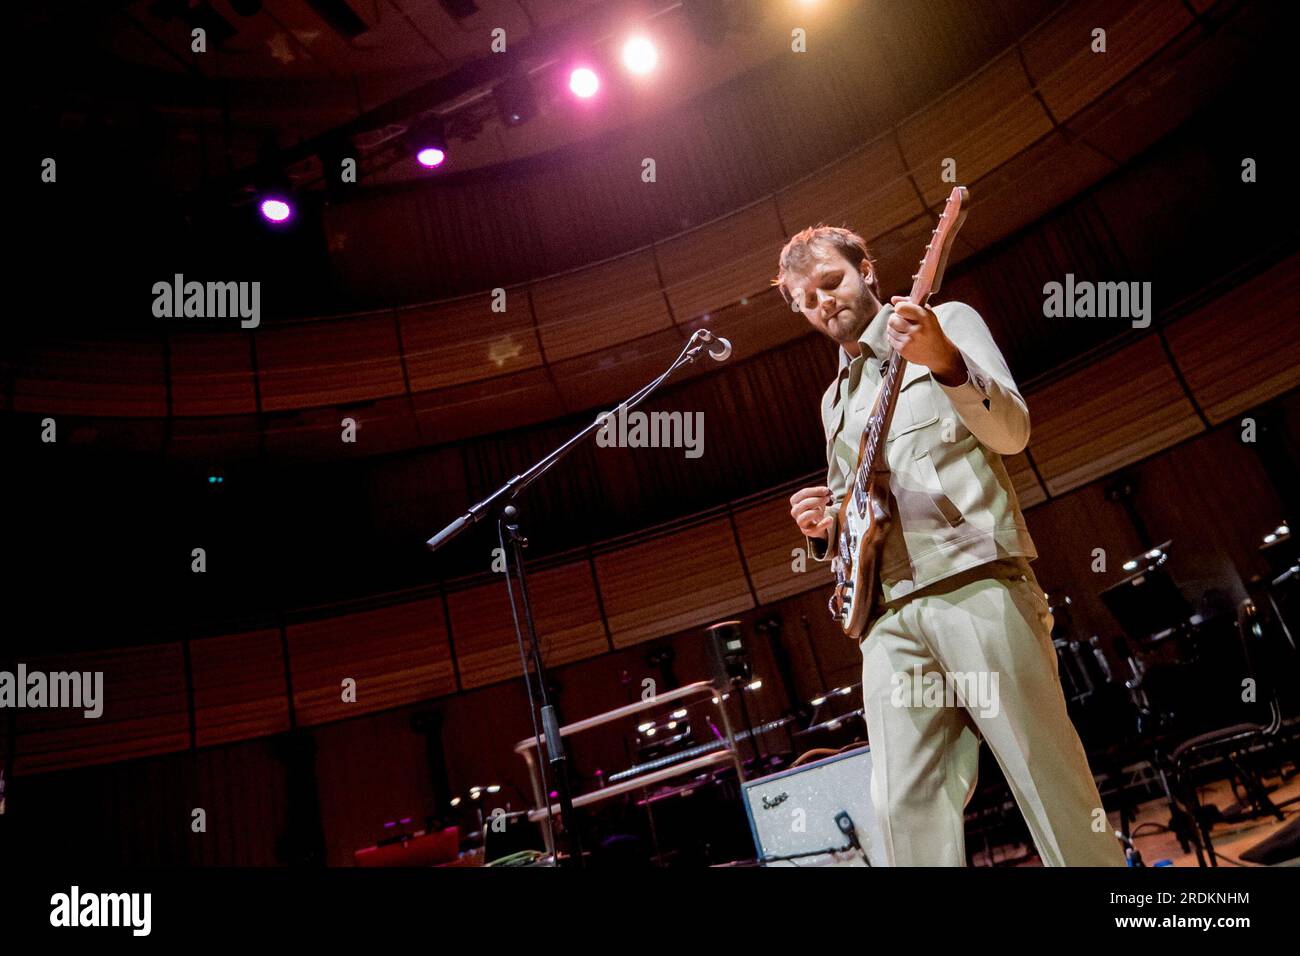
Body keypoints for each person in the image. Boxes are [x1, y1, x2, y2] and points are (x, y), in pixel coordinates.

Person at [776, 224, 1124, 866]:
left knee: (1046, 782)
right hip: (886, 617)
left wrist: (944, 361)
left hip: (975, 582)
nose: (823, 301)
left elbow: (1012, 432)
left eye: (833, 281)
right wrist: (824, 524)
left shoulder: (947, 320)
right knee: (899, 810)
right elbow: (854, 507)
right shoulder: (834, 401)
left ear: (867, 272)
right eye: (808, 298)